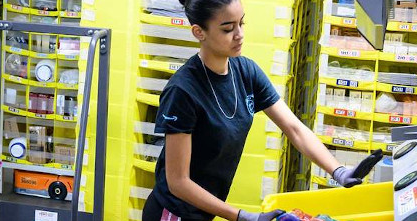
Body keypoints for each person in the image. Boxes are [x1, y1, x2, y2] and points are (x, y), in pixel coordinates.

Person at [142, 0, 375, 220]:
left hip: (204, 211)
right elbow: (178, 182)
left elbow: (294, 128)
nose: (239, 35)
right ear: (199, 32)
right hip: (173, 213)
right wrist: (241, 216)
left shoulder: (246, 72)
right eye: (227, 29)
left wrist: (338, 171)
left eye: (241, 23)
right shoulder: (183, 91)